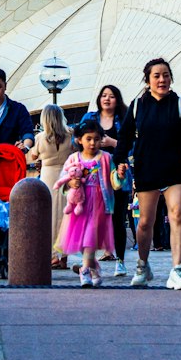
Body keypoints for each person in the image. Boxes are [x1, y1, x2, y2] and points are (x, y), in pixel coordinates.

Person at [113, 57, 181, 289]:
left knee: (177, 215)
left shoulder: (179, 105)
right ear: (148, 80)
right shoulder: (137, 106)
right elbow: (124, 138)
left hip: (174, 169)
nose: (162, 79)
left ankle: (177, 269)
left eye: (166, 75)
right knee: (145, 222)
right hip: (147, 169)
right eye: (156, 75)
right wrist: (119, 161)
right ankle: (142, 265)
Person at [54, 119, 115, 287]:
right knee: (82, 240)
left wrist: (120, 177)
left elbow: (115, 180)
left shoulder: (106, 158)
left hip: (98, 204)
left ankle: (85, 269)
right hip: (79, 207)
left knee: (91, 237)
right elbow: (63, 179)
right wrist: (69, 184)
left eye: (96, 139)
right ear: (79, 140)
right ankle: (93, 265)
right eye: (88, 139)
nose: (93, 143)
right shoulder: (73, 158)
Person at [79, 84, 133, 275]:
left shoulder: (125, 119)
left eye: (111, 96)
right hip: (93, 174)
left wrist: (113, 143)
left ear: (117, 99)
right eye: (103, 95)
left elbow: (132, 147)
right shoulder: (90, 118)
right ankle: (89, 261)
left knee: (118, 218)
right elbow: (76, 139)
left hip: (117, 174)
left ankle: (120, 260)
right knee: (91, 218)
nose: (107, 99)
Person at [26, 104, 73, 268]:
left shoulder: (41, 137)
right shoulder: (70, 134)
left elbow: (33, 155)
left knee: (50, 217)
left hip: (48, 178)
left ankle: (53, 256)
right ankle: (64, 256)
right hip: (67, 177)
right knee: (66, 216)